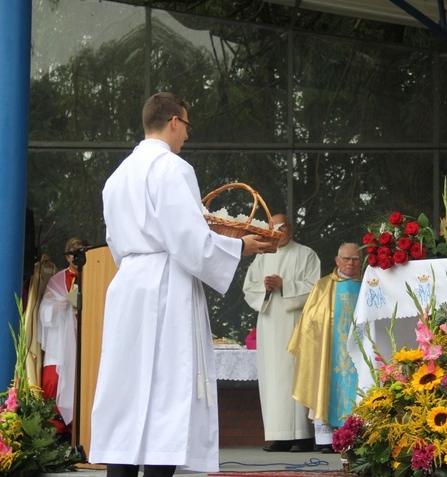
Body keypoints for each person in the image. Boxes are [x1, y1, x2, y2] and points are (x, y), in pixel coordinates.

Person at [89, 92, 275, 477]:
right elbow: (189, 241)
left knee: (126, 392)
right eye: (187, 126)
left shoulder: (117, 176)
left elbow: (115, 243)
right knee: (167, 393)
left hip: (128, 286)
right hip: (165, 285)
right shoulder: (172, 168)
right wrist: (239, 246)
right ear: (174, 121)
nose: (187, 136)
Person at [242, 214, 321, 452]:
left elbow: (315, 288)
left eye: (282, 226)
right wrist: (265, 288)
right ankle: (278, 436)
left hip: (296, 323)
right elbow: (249, 288)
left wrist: (285, 286)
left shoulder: (306, 254)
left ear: (291, 228)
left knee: (295, 372)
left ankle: (302, 437)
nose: (278, 230)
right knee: (273, 377)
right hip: (269, 322)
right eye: (273, 227)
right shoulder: (262, 256)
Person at [287, 242, 362, 453]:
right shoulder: (323, 286)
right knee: (326, 385)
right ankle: (327, 440)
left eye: (355, 259)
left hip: (359, 349)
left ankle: (357, 437)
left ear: (361, 262)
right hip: (329, 350)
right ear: (337, 260)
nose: (350, 263)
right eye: (346, 259)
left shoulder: (369, 284)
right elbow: (309, 319)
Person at [38, 236, 88, 443]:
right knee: (53, 381)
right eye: (73, 254)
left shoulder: (94, 276)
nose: (76, 258)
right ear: (67, 256)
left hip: (85, 339)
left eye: (81, 253)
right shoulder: (57, 280)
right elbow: (44, 310)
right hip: (61, 341)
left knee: (83, 382)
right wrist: (57, 308)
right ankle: (56, 430)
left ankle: (79, 428)